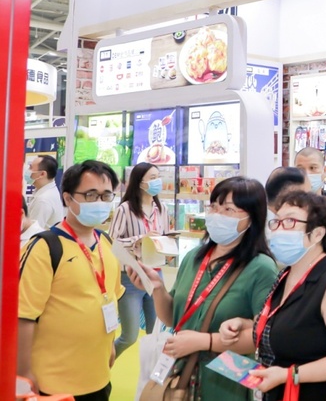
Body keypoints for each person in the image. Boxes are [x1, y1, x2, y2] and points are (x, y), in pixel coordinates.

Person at [128, 177, 279, 400]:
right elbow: (173, 318)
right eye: (214, 207)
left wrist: (204, 341)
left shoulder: (261, 268)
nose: (217, 215)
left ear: (251, 218)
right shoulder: (194, 258)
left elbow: (262, 336)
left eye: (228, 209)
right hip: (182, 373)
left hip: (227, 381)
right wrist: (157, 289)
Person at [218, 191, 326, 400]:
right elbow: (292, 326)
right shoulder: (287, 274)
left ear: (317, 234)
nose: (279, 230)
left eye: (290, 222)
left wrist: (289, 375)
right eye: (276, 222)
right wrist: (244, 325)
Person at [18, 160, 123, 400]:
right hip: (53, 383)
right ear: (68, 198)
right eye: (90, 195)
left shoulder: (107, 243)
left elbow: (110, 299)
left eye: (106, 196)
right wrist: (23, 373)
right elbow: (24, 316)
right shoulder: (45, 247)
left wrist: (110, 345)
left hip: (98, 377)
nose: (100, 202)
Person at [109, 162, 170, 357]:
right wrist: (140, 239)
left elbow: (165, 235)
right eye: (152, 178)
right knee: (129, 335)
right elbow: (112, 241)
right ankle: (104, 362)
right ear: (140, 182)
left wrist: (167, 244)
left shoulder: (162, 209)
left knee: (156, 333)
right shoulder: (125, 209)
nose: (157, 181)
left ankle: (151, 372)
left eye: (158, 177)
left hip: (155, 275)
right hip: (131, 276)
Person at [26, 155, 63, 228]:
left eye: (31, 167)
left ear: (42, 174)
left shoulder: (43, 200)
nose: (28, 171)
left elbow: (33, 230)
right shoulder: (44, 190)